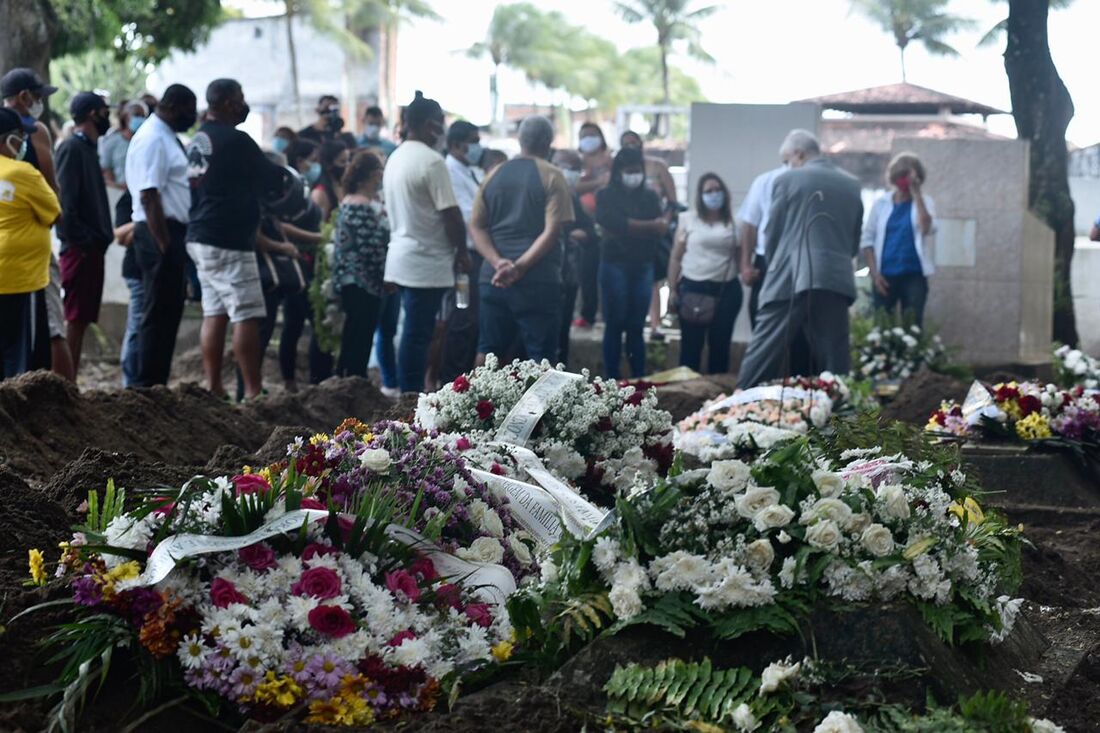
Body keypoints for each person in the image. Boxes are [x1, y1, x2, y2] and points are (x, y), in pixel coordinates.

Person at [736, 130, 863, 388]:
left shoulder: (787, 179)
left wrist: (774, 265)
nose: (786, 165)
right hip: (835, 277)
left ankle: (738, 404)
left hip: (790, 274)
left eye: (787, 159)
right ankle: (843, 416)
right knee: (835, 359)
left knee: (764, 349)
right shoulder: (852, 184)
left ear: (799, 154)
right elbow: (854, 239)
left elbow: (771, 232)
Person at [185, 79, 285, 400]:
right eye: (240, 98)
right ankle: (254, 391)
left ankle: (214, 386)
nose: (244, 104)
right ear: (228, 102)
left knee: (214, 312)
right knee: (247, 313)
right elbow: (271, 177)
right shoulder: (237, 140)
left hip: (200, 236)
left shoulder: (198, 139)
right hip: (228, 240)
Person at [382, 91, 468, 394]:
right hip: (426, 261)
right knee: (418, 334)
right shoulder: (432, 161)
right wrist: (462, 251)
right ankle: (410, 395)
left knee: (413, 331)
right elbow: (452, 215)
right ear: (432, 125)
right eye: (442, 124)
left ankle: (406, 390)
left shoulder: (396, 156)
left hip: (403, 257)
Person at [470, 116, 573, 364]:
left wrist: (498, 263)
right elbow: (552, 231)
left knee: (487, 353)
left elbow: (476, 226)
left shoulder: (494, 173)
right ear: (548, 142)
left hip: (493, 279)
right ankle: (538, 405)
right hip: (538, 280)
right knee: (542, 358)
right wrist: (520, 267)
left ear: (520, 140)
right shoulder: (552, 175)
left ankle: (477, 403)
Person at [2, 67, 73, 380]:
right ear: (24, 97)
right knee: (49, 327)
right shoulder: (35, 133)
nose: (41, 103)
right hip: (29, 260)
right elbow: (52, 194)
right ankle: (60, 401)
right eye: (39, 96)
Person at [125, 83, 198, 387]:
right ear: (175, 106)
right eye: (190, 111)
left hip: (168, 231)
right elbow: (149, 195)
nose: (192, 117)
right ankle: (147, 386)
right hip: (159, 232)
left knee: (168, 312)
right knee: (157, 313)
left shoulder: (165, 136)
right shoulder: (154, 138)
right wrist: (165, 243)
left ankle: (157, 382)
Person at [595, 147, 670, 379]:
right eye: (629, 171)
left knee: (636, 327)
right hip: (614, 264)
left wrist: (632, 227)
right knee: (615, 324)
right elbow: (612, 223)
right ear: (619, 172)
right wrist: (647, 226)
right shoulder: (606, 195)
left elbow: (657, 229)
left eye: (637, 171)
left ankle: (638, 379)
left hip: (643, 265)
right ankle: (611, 379)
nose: (634, 175)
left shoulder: (649, 196)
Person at [55, 92, 114, 376]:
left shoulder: (89, 150)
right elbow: (65, 205)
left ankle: (70, 382)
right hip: (80, 250)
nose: (108, 117)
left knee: (81, 320)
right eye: (104, 111)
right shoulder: (71, 149)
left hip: (91, 250)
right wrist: (84, 241)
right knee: (73, 320)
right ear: (93, 113)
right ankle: (64, 384)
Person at [0, 108, 61, 379]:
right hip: (20, 279)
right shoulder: (24, 173)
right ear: (9, 139)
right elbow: (53, 212)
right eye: (20, 136)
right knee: (22, 362)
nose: (24, 142)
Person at [668, 173, 741, 374]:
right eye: (708, 191)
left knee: (720, 347)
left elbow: (741, 256)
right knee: (690, 349)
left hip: (726, 290)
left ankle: (716, 398)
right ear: (700, 195)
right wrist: (673, 289)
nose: (714, 195)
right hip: (693, 289)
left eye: (717, 190)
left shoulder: (737, 222)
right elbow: (676, 257)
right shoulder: (687, 219)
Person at [861, 152, 936, 327]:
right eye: (901, 176)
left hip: (914, 275)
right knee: (882, 326)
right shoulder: (881, 204)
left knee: (913, 325)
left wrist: (916, 194)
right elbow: (867, 240)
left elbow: (927, 228)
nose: (904, 181)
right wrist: (875, 274)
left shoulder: (925, 202)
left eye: (908, 177)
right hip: (885, 275)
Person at [107, 99, 152, 388]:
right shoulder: (130, 196)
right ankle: (130, 383)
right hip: (137, 267)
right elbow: (120, 236)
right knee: (137, 326)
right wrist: (149, 223)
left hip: (152, 266)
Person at [332, 150, 389, 376]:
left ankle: (347, 377)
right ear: (374, 174)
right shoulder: (360, 205)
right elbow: (371, 248)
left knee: (353, 332)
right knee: (360, 334)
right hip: (363, 281)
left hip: (351, 279)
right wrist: (386, 275)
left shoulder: (350, 202)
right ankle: (353, 380)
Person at [620, 130, 678, 342]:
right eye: (626, 144)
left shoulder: (657, 166)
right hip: (626, 235)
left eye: (634, 143)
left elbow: (672, 201)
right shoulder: (618, 169)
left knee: (652, 279)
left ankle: (655, 324)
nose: (631, 146)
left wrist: (664, 222)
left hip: (654, 232)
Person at [440, 120, 484, 382]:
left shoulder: (467, 170)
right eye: (473, 141)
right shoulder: (450, 172)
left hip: (474, 255)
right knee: (462, 319)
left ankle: (461, 378)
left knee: (471, 320)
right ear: (456, 144)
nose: (478, 147)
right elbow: (467, 216)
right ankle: (452, 379)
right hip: (464, 258)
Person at [551, 148, 596, 367]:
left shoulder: (572, 195)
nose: (571, 173)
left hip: (568, 273)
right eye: (567, 167)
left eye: (576, 169)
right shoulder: (543, 191)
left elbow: (589, 230)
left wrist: (575, 234)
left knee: (562, 334)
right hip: (545, 275)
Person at [738, 150, 790, 327]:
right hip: (767, 259)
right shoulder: (765, 181)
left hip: (797, 259)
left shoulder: (812, 181)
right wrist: (746, 265)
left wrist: (746, 264)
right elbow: (750, 224)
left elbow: (749, 225)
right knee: (761, 315)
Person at [574, 122, 613, 330]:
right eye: (584, 135)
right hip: (583, 227)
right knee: (586, 273)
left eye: (592, 134)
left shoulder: (611, 162)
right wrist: (597, 182)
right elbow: (573, 188)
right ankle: (587, 314)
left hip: (608, 227)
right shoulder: (576, 162)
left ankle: (607, 315)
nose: (588, 139)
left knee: (606, 274)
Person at [311, 140, 349, 224]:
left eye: (348, 161)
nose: (347, 166)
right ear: (328, 165)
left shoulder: (344, 186)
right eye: (342, 162)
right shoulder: (320, 193)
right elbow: (320, 227)